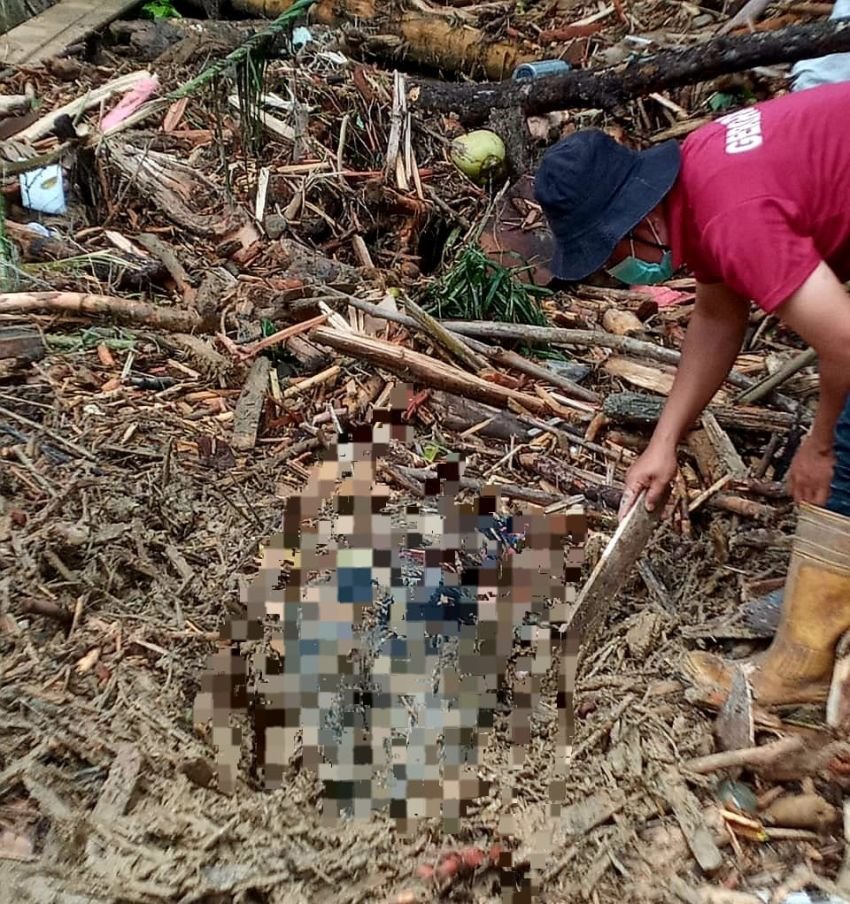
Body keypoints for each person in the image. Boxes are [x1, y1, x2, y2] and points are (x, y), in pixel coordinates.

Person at [532, 75, 850, 707]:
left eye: (612, 252)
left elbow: (845, 346)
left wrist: (818, 445)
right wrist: (664, 441)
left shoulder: (733, 217)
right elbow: (716, 317)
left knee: (846, 455)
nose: (618, 271)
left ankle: (800, 669)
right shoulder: (701, 180)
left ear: (639, 219)